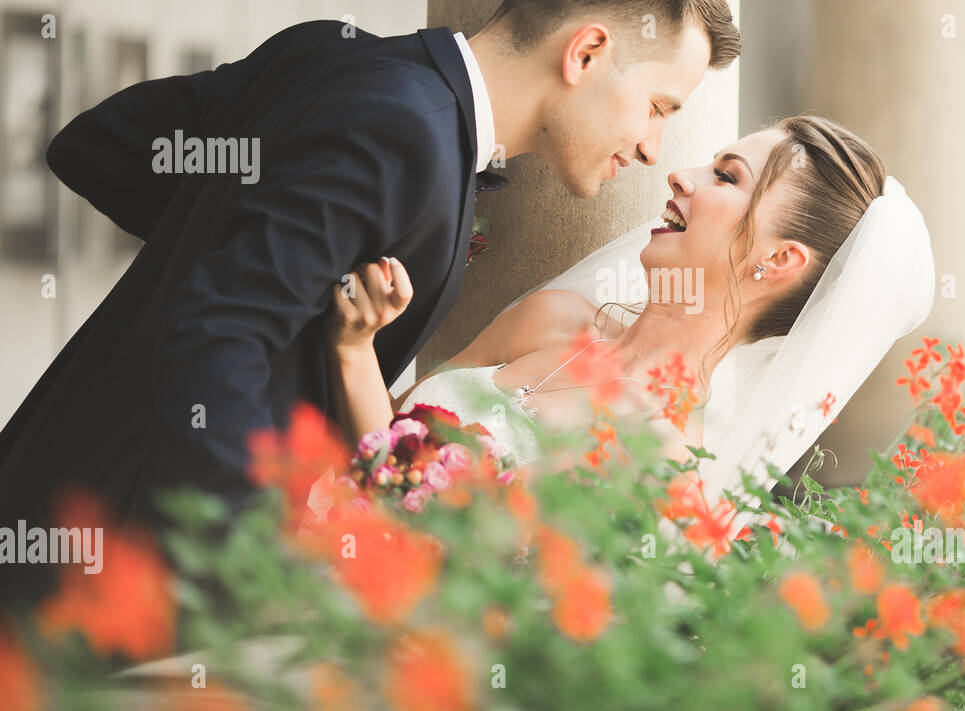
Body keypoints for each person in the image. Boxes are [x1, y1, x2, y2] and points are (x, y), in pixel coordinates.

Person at [0, 0, 739, 608]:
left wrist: (248, 243)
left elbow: (102, 147)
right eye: (659, 107)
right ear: (585, 52)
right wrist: (253, 575)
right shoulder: (404, 131)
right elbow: (217, 328)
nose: (651, 147)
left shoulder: (331, 54)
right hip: (123, 561)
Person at [324, 116, 913, 499]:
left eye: (726, 177)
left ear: (778, 260)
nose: (680, 176)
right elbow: (377, 449)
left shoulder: (663, 462)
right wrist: (354, 345)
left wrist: (352, 356)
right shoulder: (552, 319)